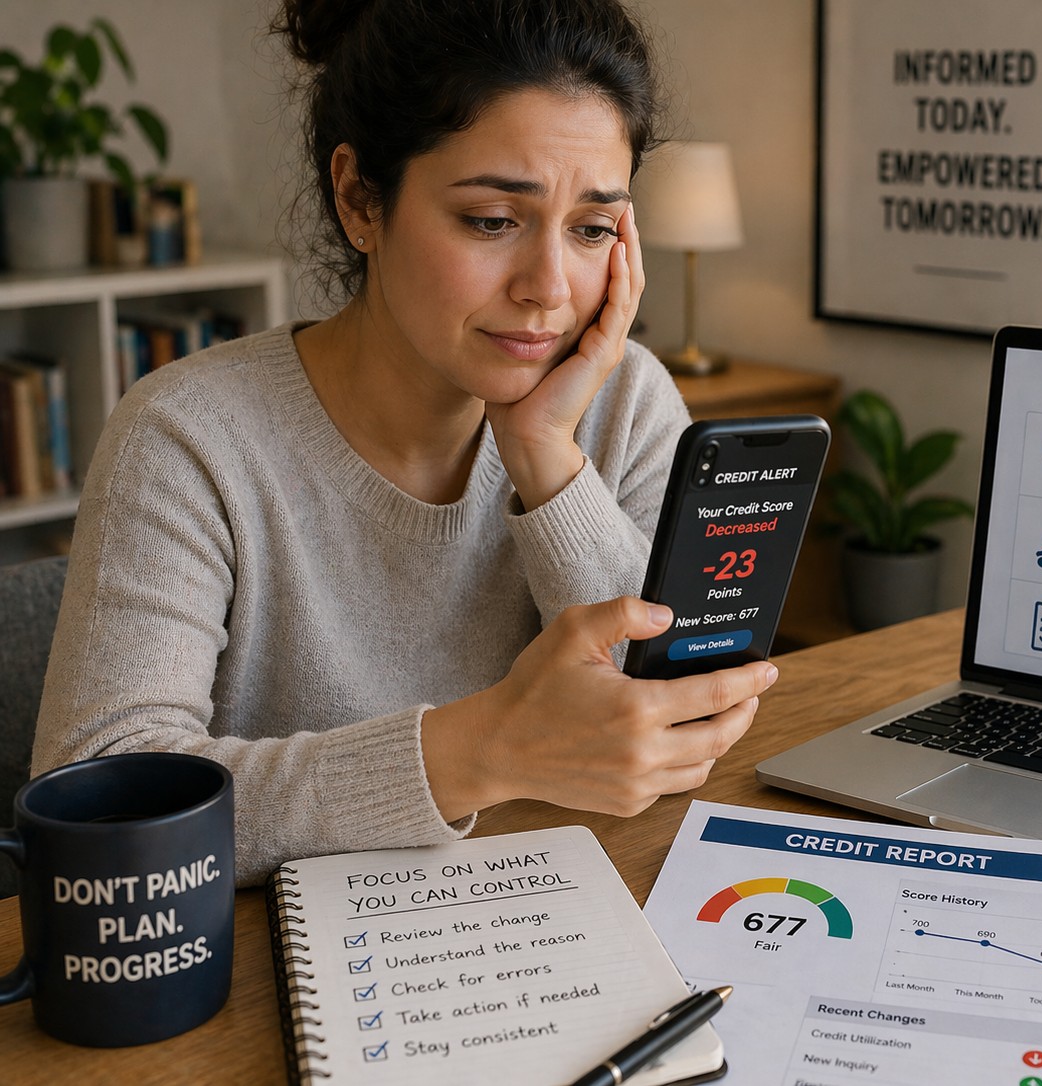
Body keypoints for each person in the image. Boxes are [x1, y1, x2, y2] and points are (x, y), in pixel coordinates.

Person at [31, 0, 777, 886]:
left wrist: (546, 457)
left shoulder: (626, 403)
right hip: (271, 973)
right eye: (493, 220)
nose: (549, 288)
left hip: (552, 920)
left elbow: (660, 734)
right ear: (360, 200)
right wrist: (478, 751)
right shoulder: (189, 437)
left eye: (592, 229)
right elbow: (99, 814)